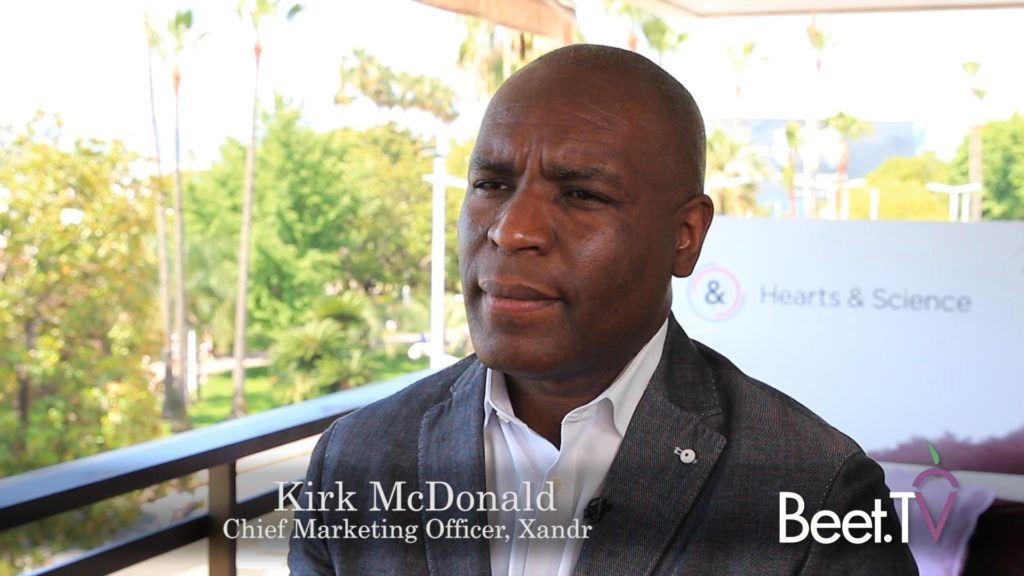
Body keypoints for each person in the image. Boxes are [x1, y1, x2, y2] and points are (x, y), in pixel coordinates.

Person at [288, 44, 918, 575]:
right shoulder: (356, 456)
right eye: (491, 184)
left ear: (685, 236)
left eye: (581, 194)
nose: (511, 230)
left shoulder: (815, 488)